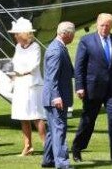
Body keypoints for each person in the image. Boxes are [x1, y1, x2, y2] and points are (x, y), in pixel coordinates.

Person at [72, 13, 112, 165]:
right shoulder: (86, 41)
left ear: (111, 26)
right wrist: (79, 87)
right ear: (97, 24)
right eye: (102, 25)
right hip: (92, 89)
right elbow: (79, 66)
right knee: (88, 121)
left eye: (108, 26)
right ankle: (77, 148)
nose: (105, 28)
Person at [8, 17, 46, 156]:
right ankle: (28, 145)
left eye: (17, 34)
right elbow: (16, 63)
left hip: (32, 84)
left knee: (36, 116)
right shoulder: (18, 47)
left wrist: (21, 72)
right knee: (22, 116)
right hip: (20, 84)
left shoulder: (35, 47)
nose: (15, 36)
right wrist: (14, 75)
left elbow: (34, 64)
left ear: (23, 34)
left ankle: (46, 144)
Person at [41, 21, 76, 169]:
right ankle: (62, 163)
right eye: (72, 34)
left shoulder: (59, 47)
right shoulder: (56, 50)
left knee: (53, 130)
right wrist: (56, 96)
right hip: (56, 98)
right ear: (66, 34)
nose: (73, 37)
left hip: (54, 97)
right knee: (59, 129)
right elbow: (51, 76)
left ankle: (48, 159)